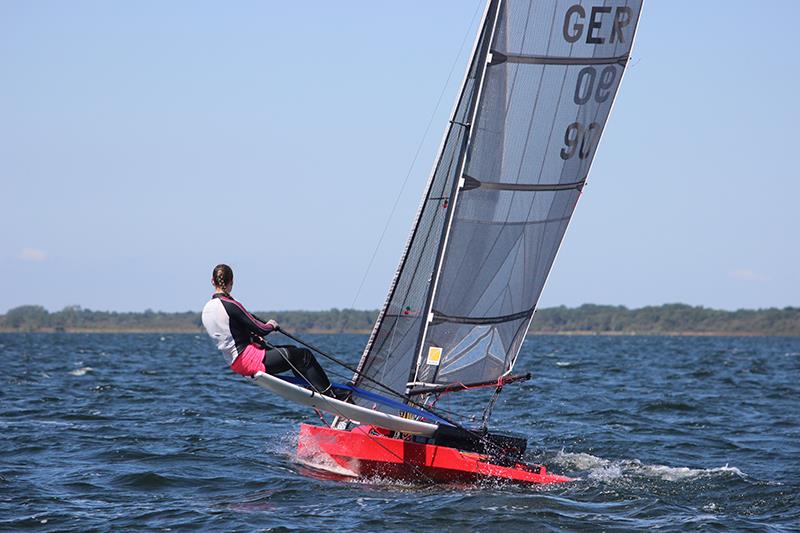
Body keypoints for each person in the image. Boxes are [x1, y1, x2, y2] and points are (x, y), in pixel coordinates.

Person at [201, 263, 338, 397]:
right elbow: (259, 328)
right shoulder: (231, 304)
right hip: (250, 360)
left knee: (292, 351)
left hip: (236, 363)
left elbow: (231, 332)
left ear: (212, 281)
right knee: (303, 356)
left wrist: (252, 336)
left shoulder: (207, 309)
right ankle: (329, 394)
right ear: (232, 281)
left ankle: (312, 389)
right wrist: (271, 325)